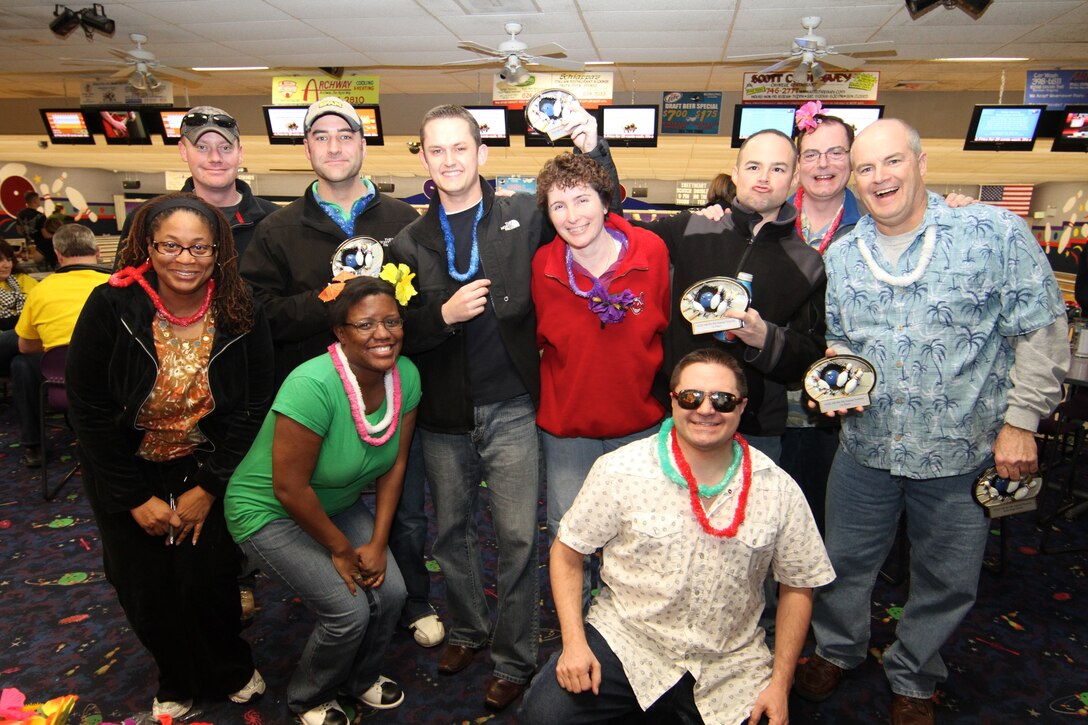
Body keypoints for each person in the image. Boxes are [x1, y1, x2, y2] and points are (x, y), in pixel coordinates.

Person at [793, 119, 1069, 725]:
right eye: (865, 169)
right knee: (840, 560)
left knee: (946, 577)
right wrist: (834, 377)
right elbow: (841, 340)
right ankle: (837, 650)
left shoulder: (992, 233)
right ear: (853, 182)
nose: (879, 177)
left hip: (962, 449)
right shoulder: (843, 256)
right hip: (865, 447)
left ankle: (915, 675)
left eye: (892, 162)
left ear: (922, 163)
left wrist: (1022, 421)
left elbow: (1044, 331)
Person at [388, 103, 620, 711]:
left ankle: (515, 659)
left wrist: (593, 147)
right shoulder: (407, 241)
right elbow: (391, 331)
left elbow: (596, 205)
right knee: (452, 534)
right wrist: (440, 316)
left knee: (520, 538)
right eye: (435, 150)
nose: (449, 160)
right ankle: (467, 629)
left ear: (481, 152)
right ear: (425, 159)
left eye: (459, 148)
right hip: (443, 414)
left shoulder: (522, 213)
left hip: (514, 405)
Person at [518, 348, 835, 725]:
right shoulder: (622, 470)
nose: (706, 409)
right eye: (691, 397)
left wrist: (780, 685)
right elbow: (568, 552)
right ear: (672, 400)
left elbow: (798, 587)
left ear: (741, 406)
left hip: (728, 659)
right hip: (629, 641)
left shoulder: (779, 490)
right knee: (544, 716)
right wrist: (573, 644)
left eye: (722, 399)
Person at [241, 95, 443, 648]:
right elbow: (257, 316)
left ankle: (411, 599)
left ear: (362, 143)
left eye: (346, 136)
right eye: (321, 137)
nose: (334, 147)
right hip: (317, 402)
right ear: (306, 148)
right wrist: (326, 301)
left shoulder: (404, 221)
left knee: (401, 507)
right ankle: (334, 597)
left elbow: (422, 308)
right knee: (317, 495)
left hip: (390, 393)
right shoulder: (279, 230)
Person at [66, 193, 273, 720]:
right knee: (146, 587)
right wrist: (135, 498)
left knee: (208, 578)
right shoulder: (111, 305)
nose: (186, 259)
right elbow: (87, 409)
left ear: (218, 250)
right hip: (123, 464)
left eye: (200, 247)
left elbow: (253, 407)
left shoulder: (240, 305)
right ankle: (176, 675)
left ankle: (230, 667)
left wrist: (208, 486)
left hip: (202, 461)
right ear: (147, 247)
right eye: (171, 246)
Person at [225, 276, 417, 725]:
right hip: (268, 508)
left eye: (392, 320)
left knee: (393, 592)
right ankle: (310, 697)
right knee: (347, 610)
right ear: (340, 332)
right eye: (365, 324)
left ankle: (361, 678)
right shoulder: (311, 383)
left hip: (336, 501)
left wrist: (377, 542)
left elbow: (395, 466)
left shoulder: (406, 375)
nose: (383, 333)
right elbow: (289, 488)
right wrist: (343, 550)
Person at [639, 129, 826, 462]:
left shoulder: (807, 263)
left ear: (795, 179)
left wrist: (764, 337)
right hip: (676, 413)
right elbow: (613, 235)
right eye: (754, 167)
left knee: (748, 516)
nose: (764, 178)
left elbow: (809, 354)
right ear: (736, 174)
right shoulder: (690, 229)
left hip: (754, 429)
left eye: (778, 169)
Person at [532, 152, 669, 603]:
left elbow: (669, 328)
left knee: (641, 533)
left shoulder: (650, 251)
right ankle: (581, 631)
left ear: (605, 200)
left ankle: (637, 623)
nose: (572, 216)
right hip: (569, 430)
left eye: (582, 199)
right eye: (558, 206)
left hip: (639, 426)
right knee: (570, 534)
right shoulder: (541, 267)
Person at [119, 106, 280, 261]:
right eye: (202, 147)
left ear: (240, 153)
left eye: (225, 148)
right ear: (183, 151)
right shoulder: (147, 219)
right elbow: (124, 284)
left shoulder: (276, 222)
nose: (215, 158)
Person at [13, 224, 108, 467]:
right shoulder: (118, 285)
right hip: (115, 386)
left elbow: (25, 346)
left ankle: (33, 446)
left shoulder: (40, 290)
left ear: (58, 255)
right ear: (97, 252)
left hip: (64, 385)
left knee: (20, 363)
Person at [0, 239, 37, 375]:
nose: (6, 265)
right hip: (16, 340)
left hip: (26, 342)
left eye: (9, 260)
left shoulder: (23, 280)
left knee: (20, 364)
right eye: (0, 260)